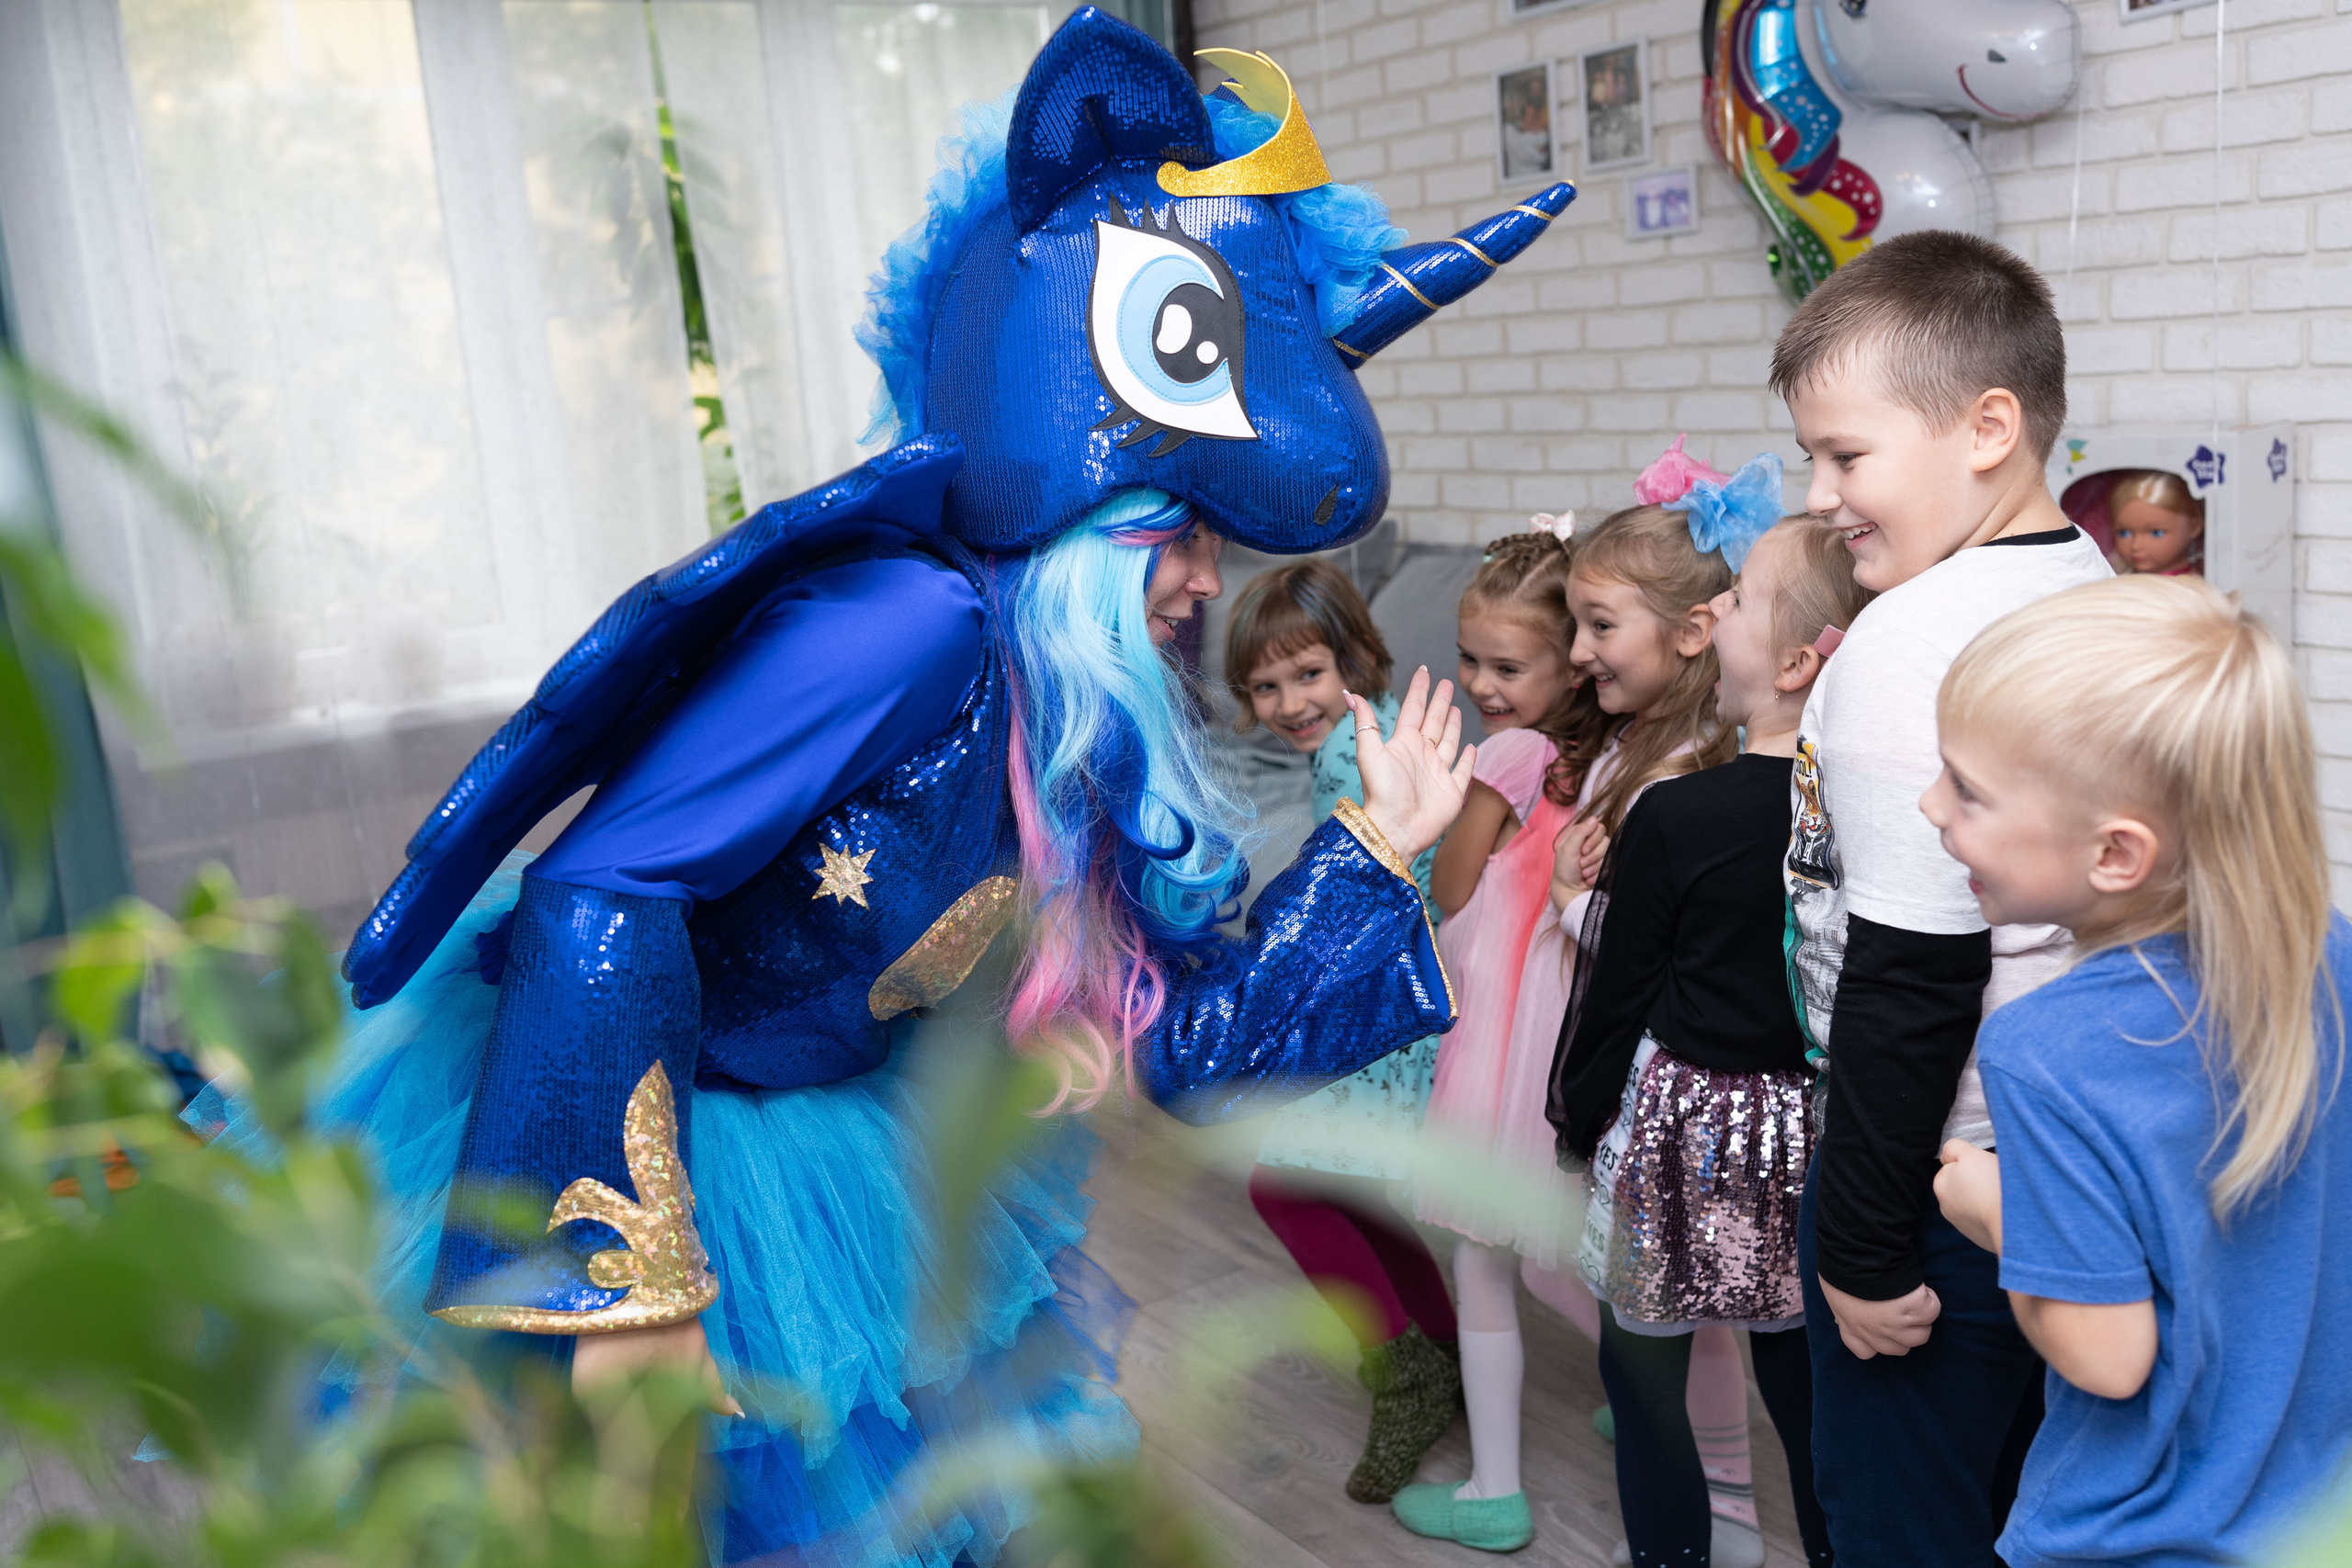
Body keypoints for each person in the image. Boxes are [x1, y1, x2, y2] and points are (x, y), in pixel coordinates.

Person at [309, 13, 1575, 1564]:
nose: (1203, 581)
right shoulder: (906, 622)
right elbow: (600, 885)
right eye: (1179, 528)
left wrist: (1376, 847)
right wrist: (624, 1283)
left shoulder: (1078, 727)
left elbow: (1196, 1058)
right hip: (648, 1132)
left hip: (847, 1138)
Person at [1769, 229, 2112, 1564]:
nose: (1820, 495)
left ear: (1987, 428)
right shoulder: (2089, 581)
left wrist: (1860, 1245)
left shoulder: (1912, 638)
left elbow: (1912, 975)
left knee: (1900, 1526)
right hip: (2061, 1170)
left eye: (1846, 457)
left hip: (1927, 1175)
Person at [1926, 576, 2352, 1568]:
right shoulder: (2330, 955)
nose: (1929, 803)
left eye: (1967, 790)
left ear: (2116, 852)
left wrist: (1994, 1209)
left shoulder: (2045, 1049)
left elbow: (2109, 1357)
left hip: (2137, 1534)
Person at [1551, 514, 1870, 1568]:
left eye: (1734, 602)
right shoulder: (1866, 814)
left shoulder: (1678, 815)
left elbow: (1617, 996)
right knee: (1807, 1388)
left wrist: (1576, 1126)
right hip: (1805, 1136)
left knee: (1643, 1383)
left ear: (1791, 661)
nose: (1715, 611)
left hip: (1679, 1133)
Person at [1224, 559, 1464, 1506]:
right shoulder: (1384, 725)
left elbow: (1347, 899)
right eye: (1265, 686)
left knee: (1282, 1186)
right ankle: (1440, 1352)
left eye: (1308, 674)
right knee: (1357, 1194)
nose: (1289, 703)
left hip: (1367, 1006)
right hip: (1393, 992)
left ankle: (1407, 1371)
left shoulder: (1345, 760)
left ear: (1353, 658)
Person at [2106, 469, 2204, 577]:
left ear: (2194, 527)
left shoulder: (2193, 582)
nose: (2135, 546)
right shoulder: (2117, 577)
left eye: (2156, 533)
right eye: (2123, 533)